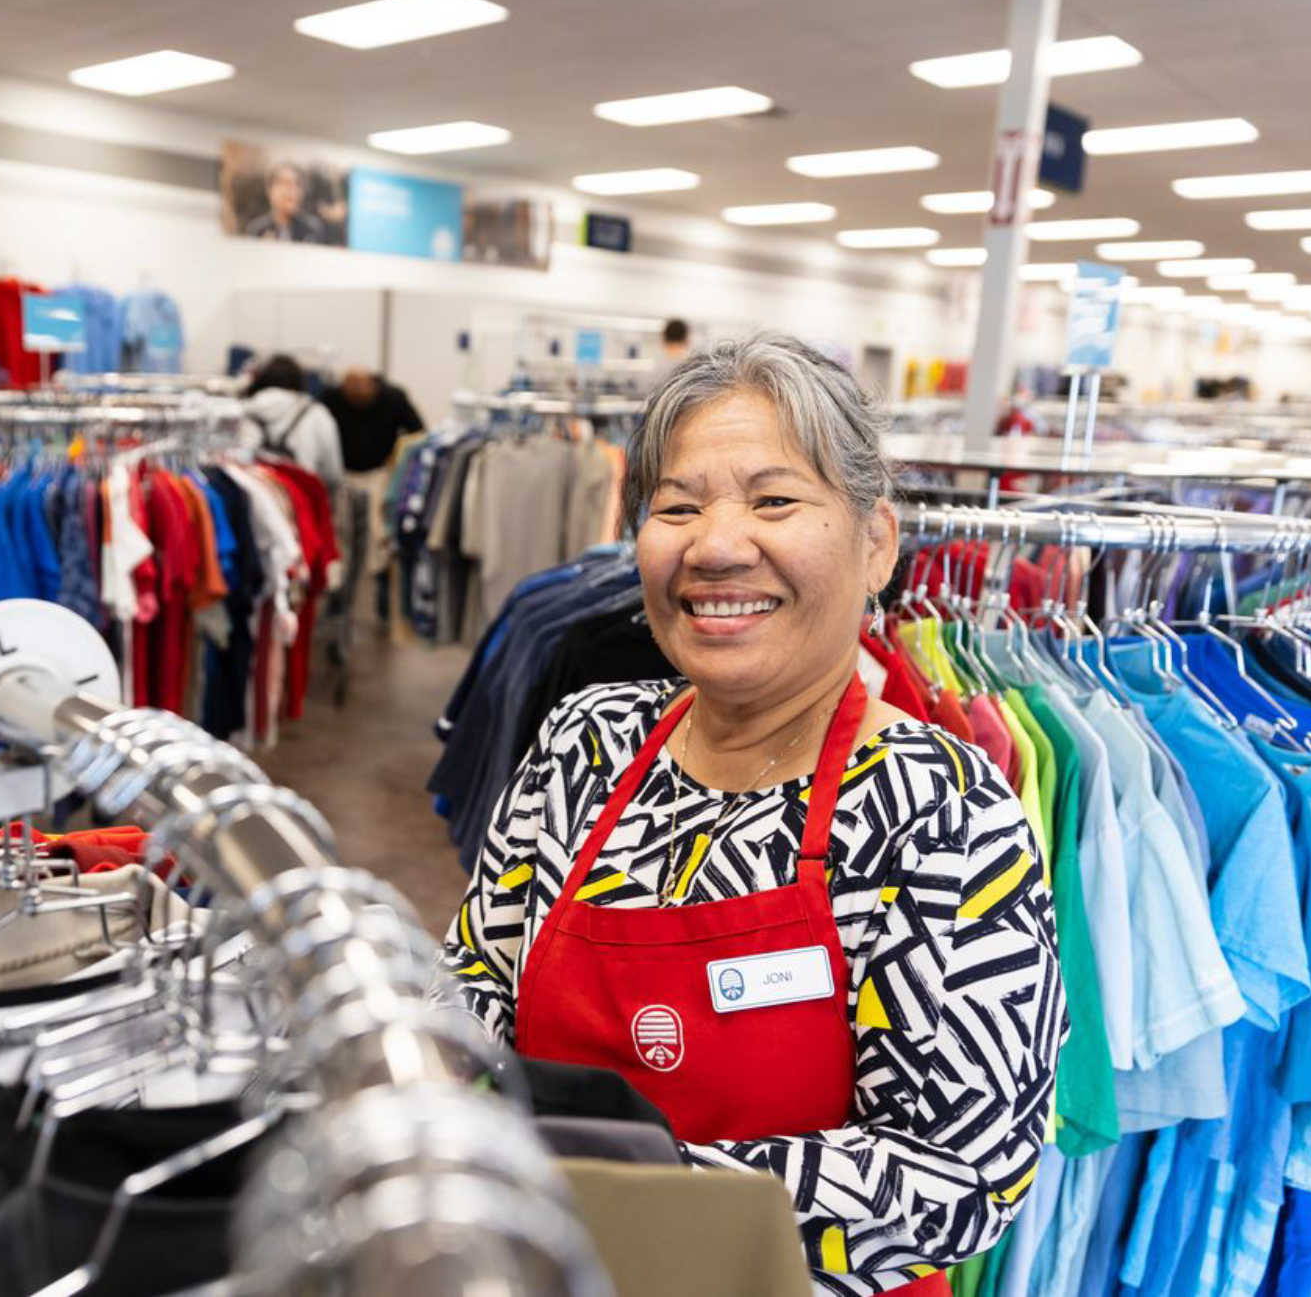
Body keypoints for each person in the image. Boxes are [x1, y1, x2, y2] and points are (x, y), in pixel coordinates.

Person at [440, 333, 1061, 1295]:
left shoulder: (941, 817)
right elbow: (479, 970)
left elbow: (962, 1176)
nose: (717, 546)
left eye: (775, 500)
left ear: (877, 543)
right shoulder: (589, 740)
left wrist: (607, 1186)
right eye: (677, 507)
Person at [241, 354, 342, 485]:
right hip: (302, 494)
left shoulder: (245, 409)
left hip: (257, 490)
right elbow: (332, 473)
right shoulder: (317, 413)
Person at [320, 368, 423, 474]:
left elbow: (418, 432)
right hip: (342, 470)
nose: (357, 392)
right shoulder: (331, 399)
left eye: (360, 388)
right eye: (353, 390)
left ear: (372, 385)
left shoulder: (394, 398)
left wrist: (401, 458)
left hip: (381, 470)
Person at [245, 163, 333, 244]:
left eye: (297, 184)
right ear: (270, 190)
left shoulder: (312, 229)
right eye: (286, 183)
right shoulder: (256, 230)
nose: (293, 191)